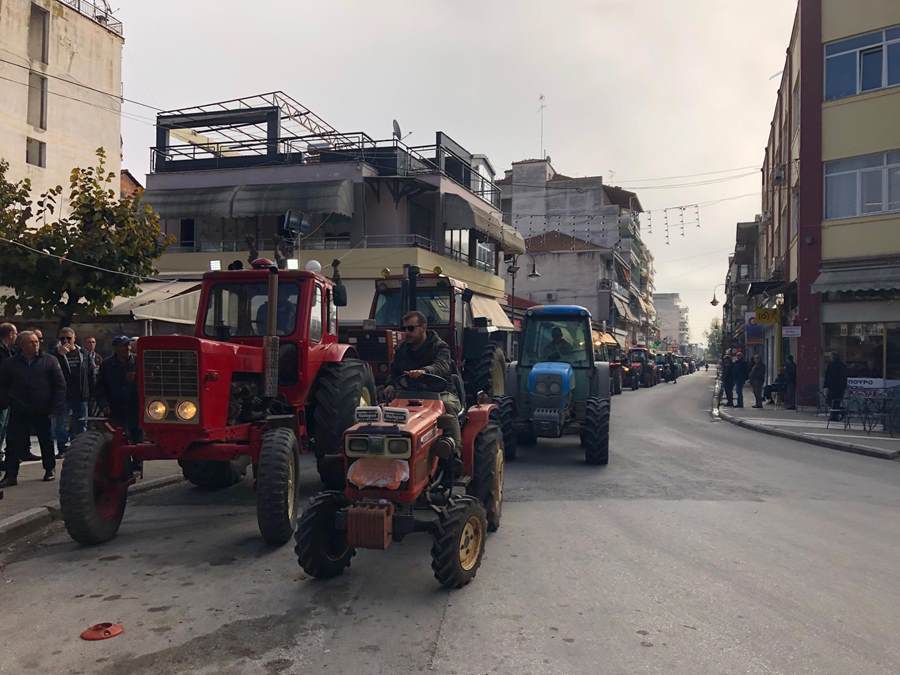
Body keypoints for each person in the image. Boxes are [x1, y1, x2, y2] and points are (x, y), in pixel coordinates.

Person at [0, 331, 66, 486]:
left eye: (36, 342)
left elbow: (59, 385)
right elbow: (3, 385)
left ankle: (49, 469)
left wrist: (56, 407)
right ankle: (11, 475)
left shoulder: (49, 360)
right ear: (21, 345)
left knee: (46, 440)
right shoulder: (10, 363)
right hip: (19, 407)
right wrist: (6, 402)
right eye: (31, 342)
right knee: (13, 442)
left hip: (42, 407)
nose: (35, 345)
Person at [384, 311, 461, 443]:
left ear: (423, 327)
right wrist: (390, 384)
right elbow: (395, 371)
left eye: (411, 328)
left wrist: (424, 371)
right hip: (409, 393)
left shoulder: (440, 347)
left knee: (448, 407)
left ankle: (453, 451)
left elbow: (442, 366)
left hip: (440, 393)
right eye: (404, 328)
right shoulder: (402, 349)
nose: (407, 332)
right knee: (384, 406)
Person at [52, 327, 96, 457]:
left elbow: (90, 374)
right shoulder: (55, 354)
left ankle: (78, 447)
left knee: (81, 422)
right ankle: (62, 448)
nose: (65, 341)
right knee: (61, 423)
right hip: (64, 395)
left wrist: (91, 392)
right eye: (62, 338)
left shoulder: (83, 353)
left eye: (68, 338)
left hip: (81, 394)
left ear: (74, 338)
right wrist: (59, 355)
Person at [97, 336, 141, 442]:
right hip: (115, 407)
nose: (127, 348)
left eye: (128, 345)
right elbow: (100, 387)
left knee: (137, 437)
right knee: (118, 438)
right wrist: (104, 405)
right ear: (115, 348)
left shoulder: (138, 361)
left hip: (136, 407)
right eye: (123, 346)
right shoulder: (107, 364)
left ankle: (137, 458)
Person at [0, 323, 17, 470]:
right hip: (2, 396)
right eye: (15, 334)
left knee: (3, 428)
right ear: (10, 334)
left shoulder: (8, 350)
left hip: (6, 396)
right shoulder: (2, 351)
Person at [823, 351, 848, 421]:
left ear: (833, 357)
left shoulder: (831, 365)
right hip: (839, 388)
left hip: (833, 387)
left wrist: (825, 386)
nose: (830, 358)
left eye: (830, 357)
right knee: (836, 402)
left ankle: (836, 414)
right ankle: (836, 414)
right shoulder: (842, 365)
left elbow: (827, 376)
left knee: (831, 401)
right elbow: (844, 377)